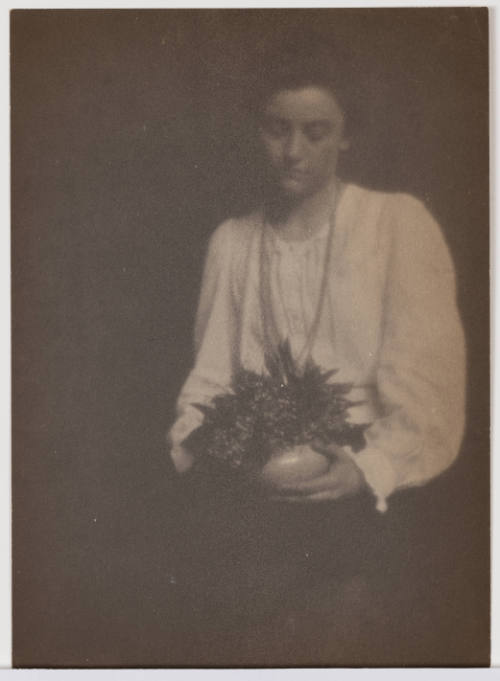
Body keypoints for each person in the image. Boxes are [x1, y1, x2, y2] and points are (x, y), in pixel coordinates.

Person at [166, 44, 466, 665]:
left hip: (368, 501)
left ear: (346, 137)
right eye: (278, 130)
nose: (294, 152)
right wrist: (220, 454)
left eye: (315, 132)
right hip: (253, 492)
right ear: (258, 130)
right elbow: (208, 385)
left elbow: (429, 398)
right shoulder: (232, 241)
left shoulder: (396, 224)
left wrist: (364, 471)